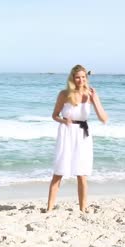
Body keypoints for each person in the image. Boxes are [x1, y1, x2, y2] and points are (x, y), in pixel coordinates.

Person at [47, 65, 108, 213]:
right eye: (77, 77)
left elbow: (103, 119)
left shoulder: (91, 94)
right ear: (72, 78)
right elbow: (54, 115)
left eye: (83, 77)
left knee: (82, 173)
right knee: (59, 172)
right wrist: (64, 121)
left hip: (83, 134)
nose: (81, 80)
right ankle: (49, 209)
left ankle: (83, 208)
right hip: (67, 133)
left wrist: (94, 100)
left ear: (86, 78)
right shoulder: (64, 94)